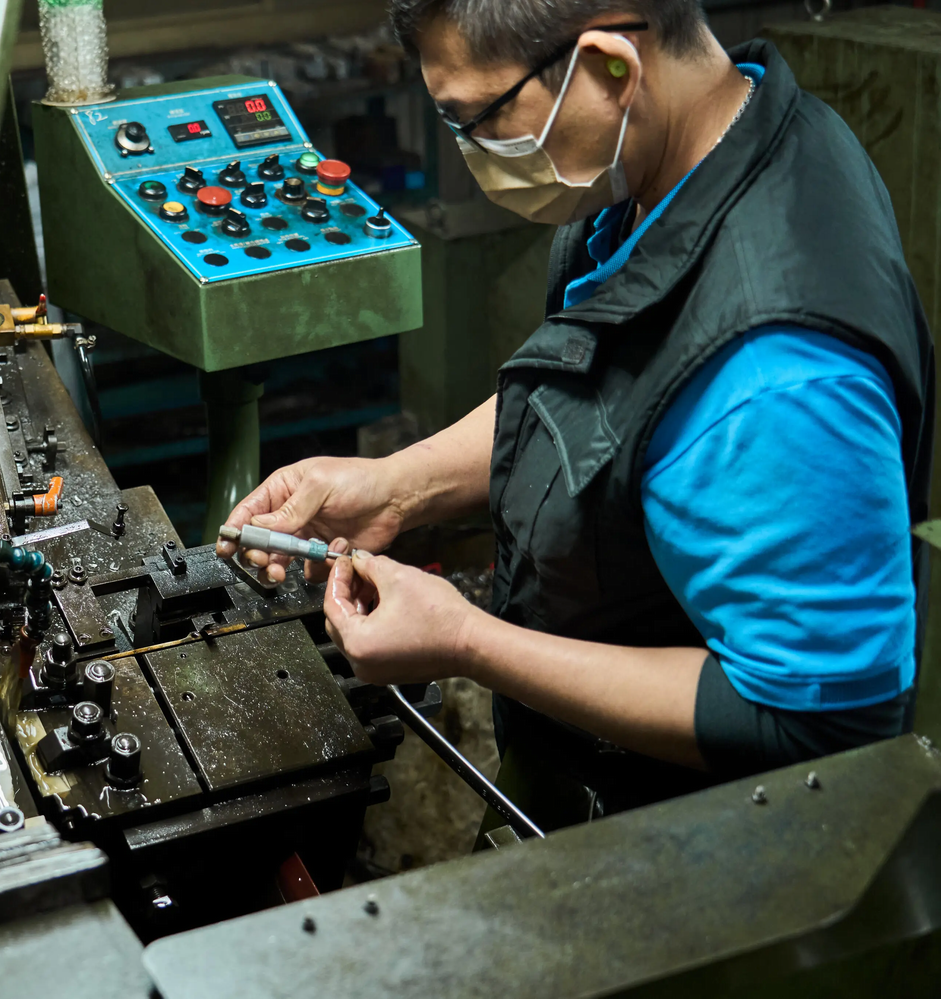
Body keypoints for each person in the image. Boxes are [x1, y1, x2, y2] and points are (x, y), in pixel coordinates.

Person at [218, 0, 934, 829]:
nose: (474, 151)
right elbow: (607, 397)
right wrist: (397, 486)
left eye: (478, 119)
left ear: (610, 68)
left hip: (701, 849)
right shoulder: (700, 151)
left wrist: (468, 641)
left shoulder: (775, 374)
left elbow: (818, 721)